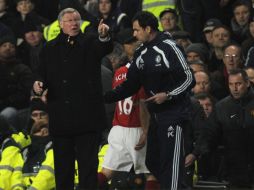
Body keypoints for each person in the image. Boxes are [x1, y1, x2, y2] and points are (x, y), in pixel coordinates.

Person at [104, 11, 195, 189]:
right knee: (153, 162)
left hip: (174, 113)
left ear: (148, 29)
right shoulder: (141, 52)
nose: (134, 34)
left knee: (172, 163)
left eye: (137, 30)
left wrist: (168, 94)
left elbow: (189, 78)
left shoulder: (169, 47)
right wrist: (105, 98)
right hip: (155, 115)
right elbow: (130, 85)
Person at [32, 7, 113, 190]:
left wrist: (104, 35)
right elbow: (40, 74)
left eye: (77, 20)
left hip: (88, 119)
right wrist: (38, 84)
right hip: (61, 119)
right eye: (69, 20)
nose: (74, 23)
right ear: (61, 24)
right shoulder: (49, 48)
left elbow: (105, 47)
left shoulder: (90, 42)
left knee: (88, 169)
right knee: (63, 169)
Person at [98, 28, 159, 190]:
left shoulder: (119, 71)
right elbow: (142, 103)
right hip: (136, 126)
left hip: (118, 128)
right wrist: (145, 132)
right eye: (131, 42)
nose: (136, 42)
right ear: (124, 46)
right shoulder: (142, 70)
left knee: (106, 172)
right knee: (152, 173)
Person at [194, 68, 254, 189]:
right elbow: (209, 133)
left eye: (238, 84)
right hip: (234, 170)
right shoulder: (222, 107)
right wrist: (199, 151)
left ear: (247, 83)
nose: (234, 88)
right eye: (231, 84)